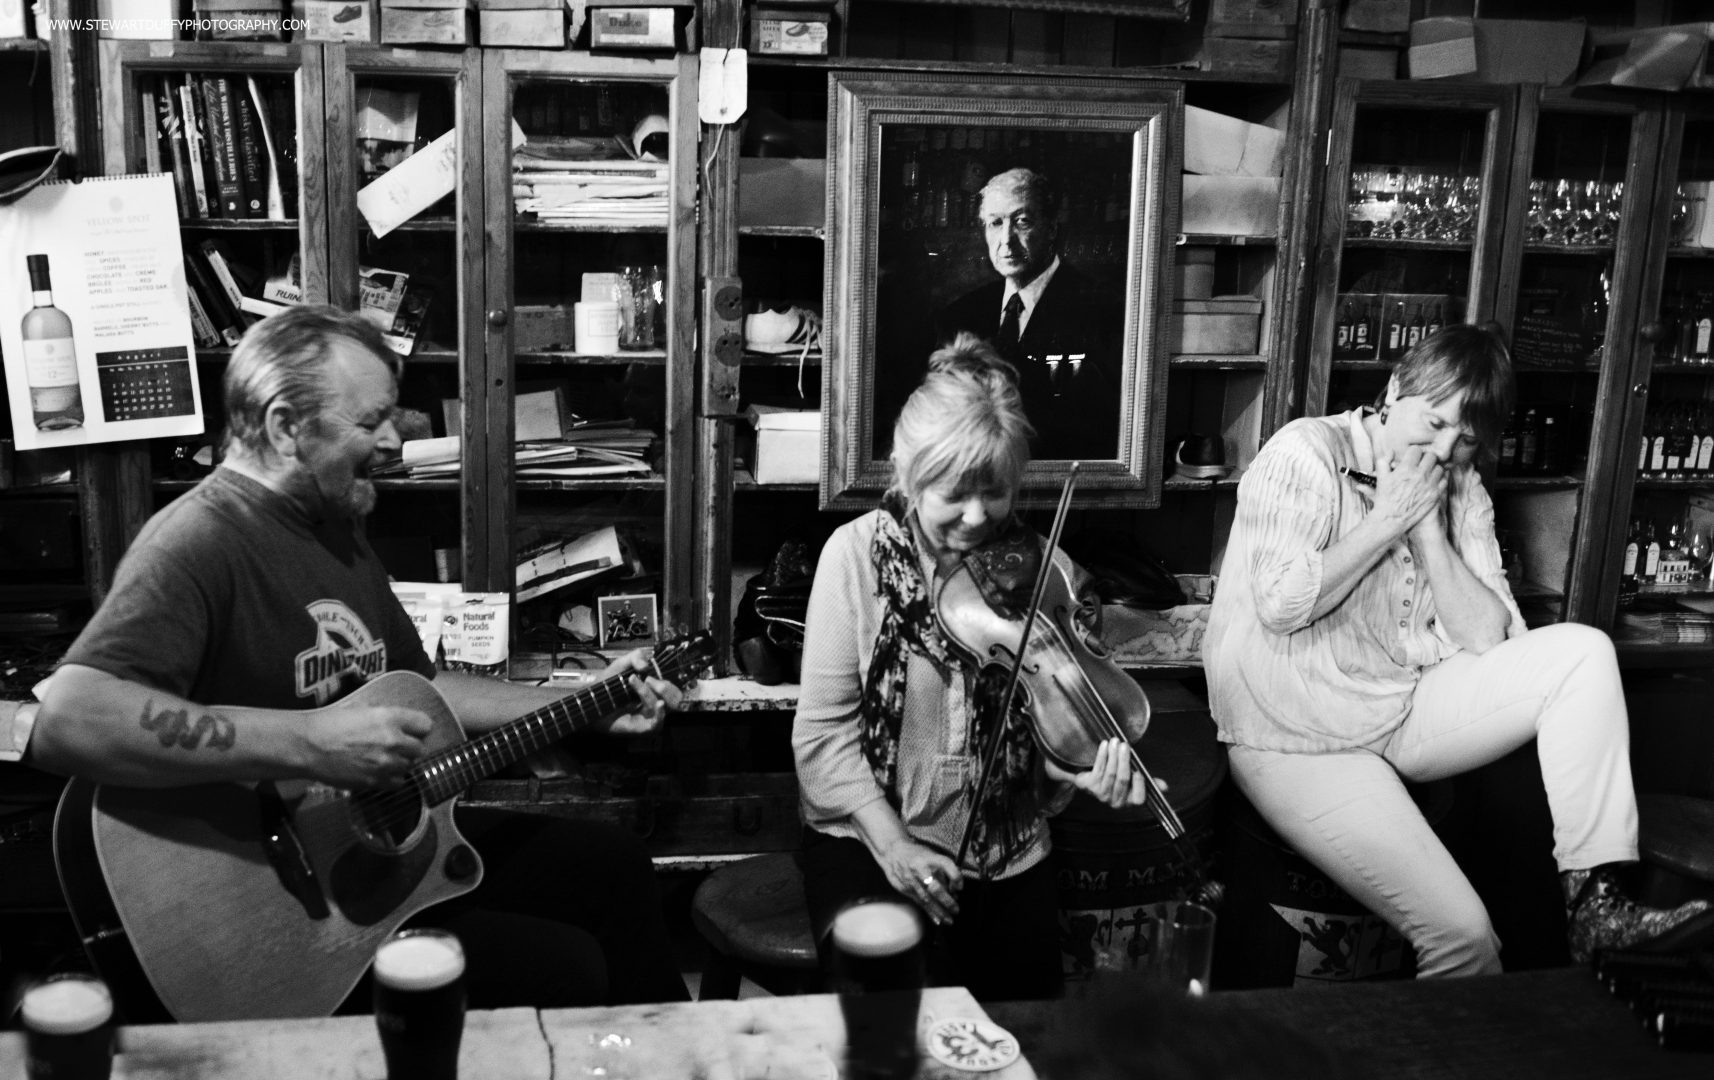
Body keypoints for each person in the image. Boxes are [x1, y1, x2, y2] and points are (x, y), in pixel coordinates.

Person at [28, 304, 690, 1014]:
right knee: (561, 968)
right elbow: (69, 716)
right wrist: (311, 743)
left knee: (612, 867)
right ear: (285, 426)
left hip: (367, 844)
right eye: (368, 421)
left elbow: (422, 686)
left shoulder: (334, 529)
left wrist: (588, 707)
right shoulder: (198, 541)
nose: (390, 443)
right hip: (271, 904)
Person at [1204, 323, 1714, 976]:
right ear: (1394, 391)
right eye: (1435, 422)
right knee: (1467, 938)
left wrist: (1427, 531)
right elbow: (1281, 604)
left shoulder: (1459, 485)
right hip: (1293, 736)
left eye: (1466, 439)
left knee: (1583, 654)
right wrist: (1387, 517)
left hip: (1398, 707)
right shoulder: (1305, 452)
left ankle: (1595, 903)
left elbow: (1489, 636)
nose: (1446, 448)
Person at [792, 333, 1150, 1002]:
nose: (980, 516)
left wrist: (1080, 771)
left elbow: (1047, 749)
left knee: (1024, 1034)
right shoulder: (856, 557)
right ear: (907, 471)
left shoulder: (1050, 576)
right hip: (871, 840)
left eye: (998, 492)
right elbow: (822, 740)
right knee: (902, 1025)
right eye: (955, 492)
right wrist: (895, 846)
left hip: (1012, 851)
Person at [934, 167, 1122, 461]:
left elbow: (1107, 428)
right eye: (995, 223)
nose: (1006, 239)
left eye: (1021, 221)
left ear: (1051, 228)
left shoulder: (1103, 310)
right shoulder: (960, 315)